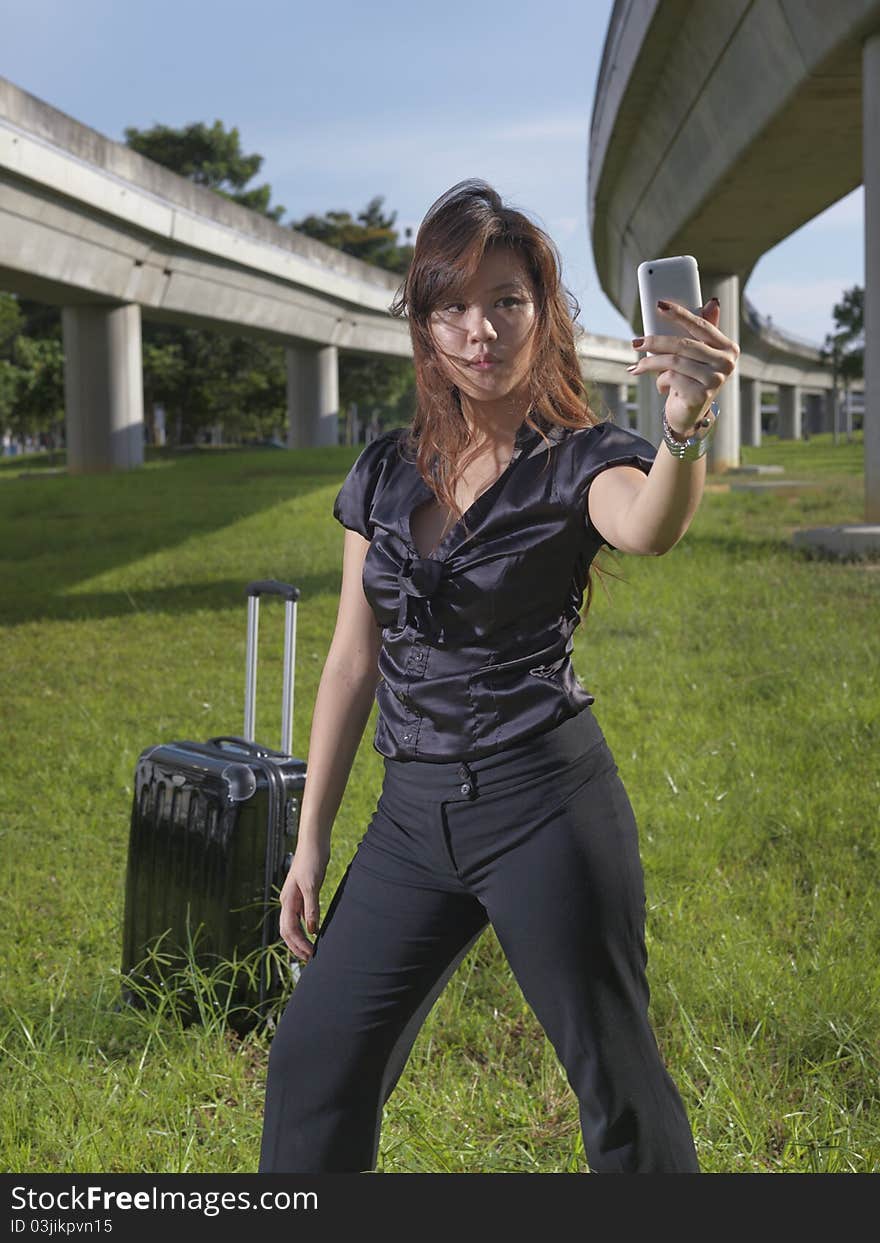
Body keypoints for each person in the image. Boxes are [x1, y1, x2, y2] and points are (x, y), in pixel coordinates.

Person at [258, 179, 740, 1174]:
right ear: (426, 326)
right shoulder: (386, 470)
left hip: (543, 809)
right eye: (451, 306)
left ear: (544, 313)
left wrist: (684, 422)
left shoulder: (581, 458)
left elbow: (647, 524)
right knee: (312, 1067)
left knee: (616, 1091)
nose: (479, 330)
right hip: (409, 819)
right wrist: (308, 841)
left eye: (506, 301)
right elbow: (353, 659)